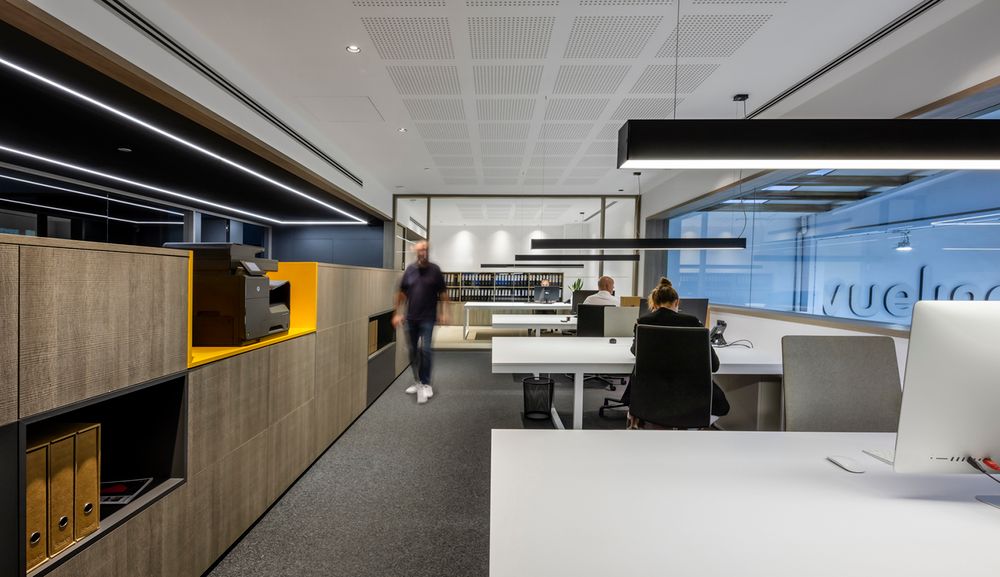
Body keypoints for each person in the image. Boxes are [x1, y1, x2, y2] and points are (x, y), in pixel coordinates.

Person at [622, 277, 730, 428]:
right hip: (691, 395)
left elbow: (636, 351)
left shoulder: (643, 321)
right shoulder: (693, 322)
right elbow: (714, 365)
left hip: (650, 395)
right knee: (720, 405)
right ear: (677, 302)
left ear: (654, 303)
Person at [392, 240, 449, 404]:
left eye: (425, 249)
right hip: (411, 318)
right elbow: (402, 294)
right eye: (420, 250)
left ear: (428, 251)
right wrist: (397, 313)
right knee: (412, 351)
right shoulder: (410, 270)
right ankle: (417, 382)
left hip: (428, 318)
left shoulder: (435, 270)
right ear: (416, 252)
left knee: (426, 349)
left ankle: (426, 383)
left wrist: (445, 312)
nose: (423, 252)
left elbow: (443, 293)